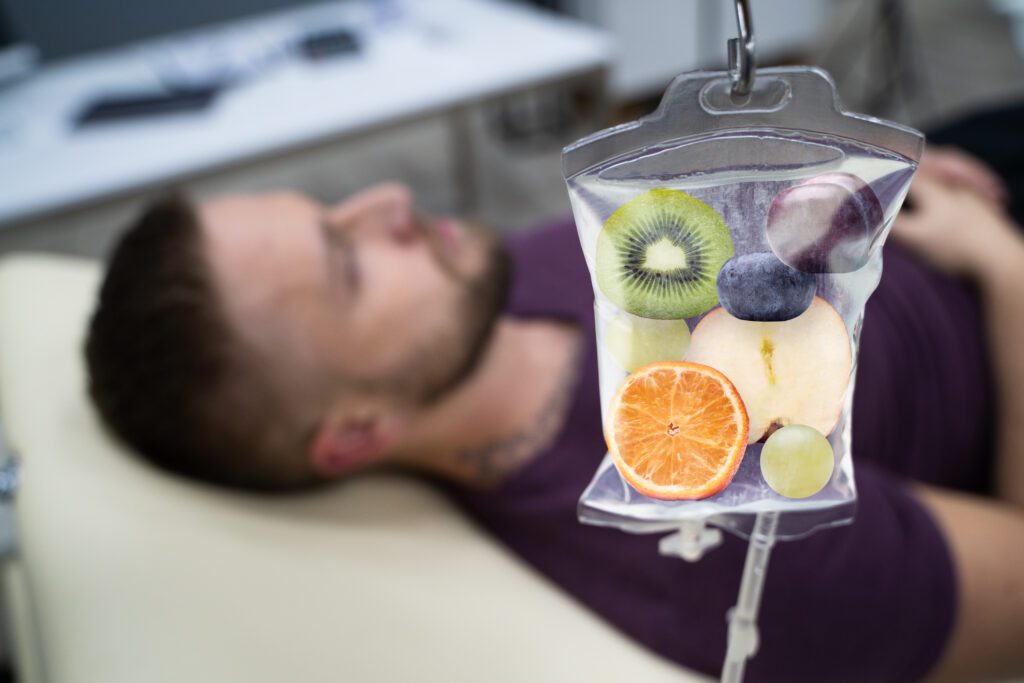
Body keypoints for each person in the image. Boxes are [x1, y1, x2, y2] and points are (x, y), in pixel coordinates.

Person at [83, 133, 1024, 682]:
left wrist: (861, 180)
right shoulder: (706, 542)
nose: (390, 200)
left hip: (925, 191)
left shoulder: (508, 281)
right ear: (358, 429)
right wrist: (1007, 270)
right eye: (350, 263)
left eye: (334, 207)